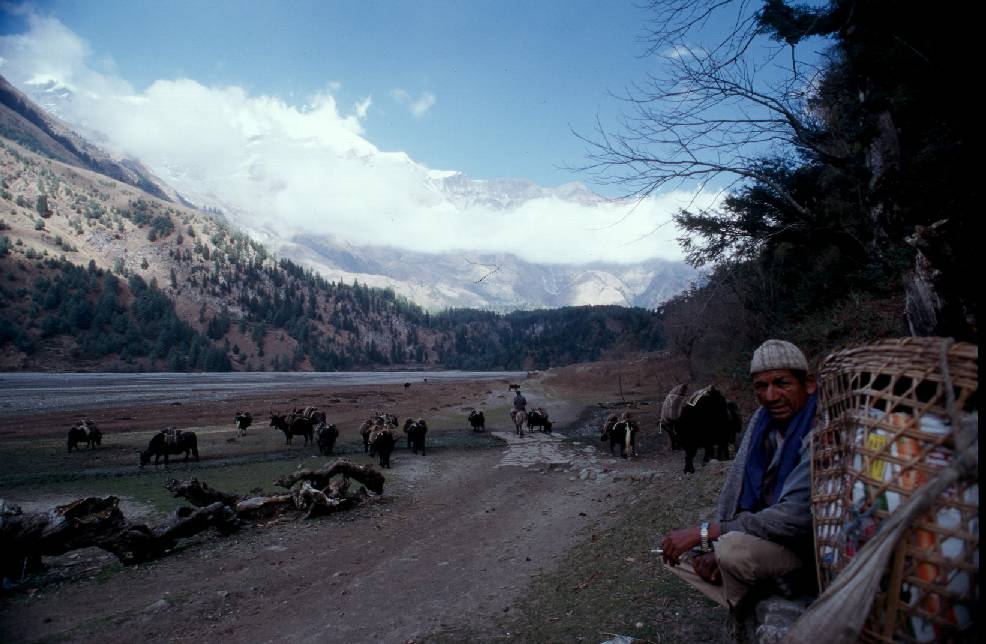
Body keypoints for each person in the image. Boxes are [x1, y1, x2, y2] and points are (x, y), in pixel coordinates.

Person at [660, 339, 818, 613]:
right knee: (673, 551)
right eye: (761, 386)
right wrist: (710, 544)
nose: (771, 396)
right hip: (762, 534)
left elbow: (796, 518)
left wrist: (709, 534)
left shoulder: (821, 432)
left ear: (809, 384)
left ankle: (746, 601)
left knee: (731, 550)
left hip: (802, 546)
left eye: (782, 383)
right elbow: (739, 491)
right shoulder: (762, 423)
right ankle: (742, 580)